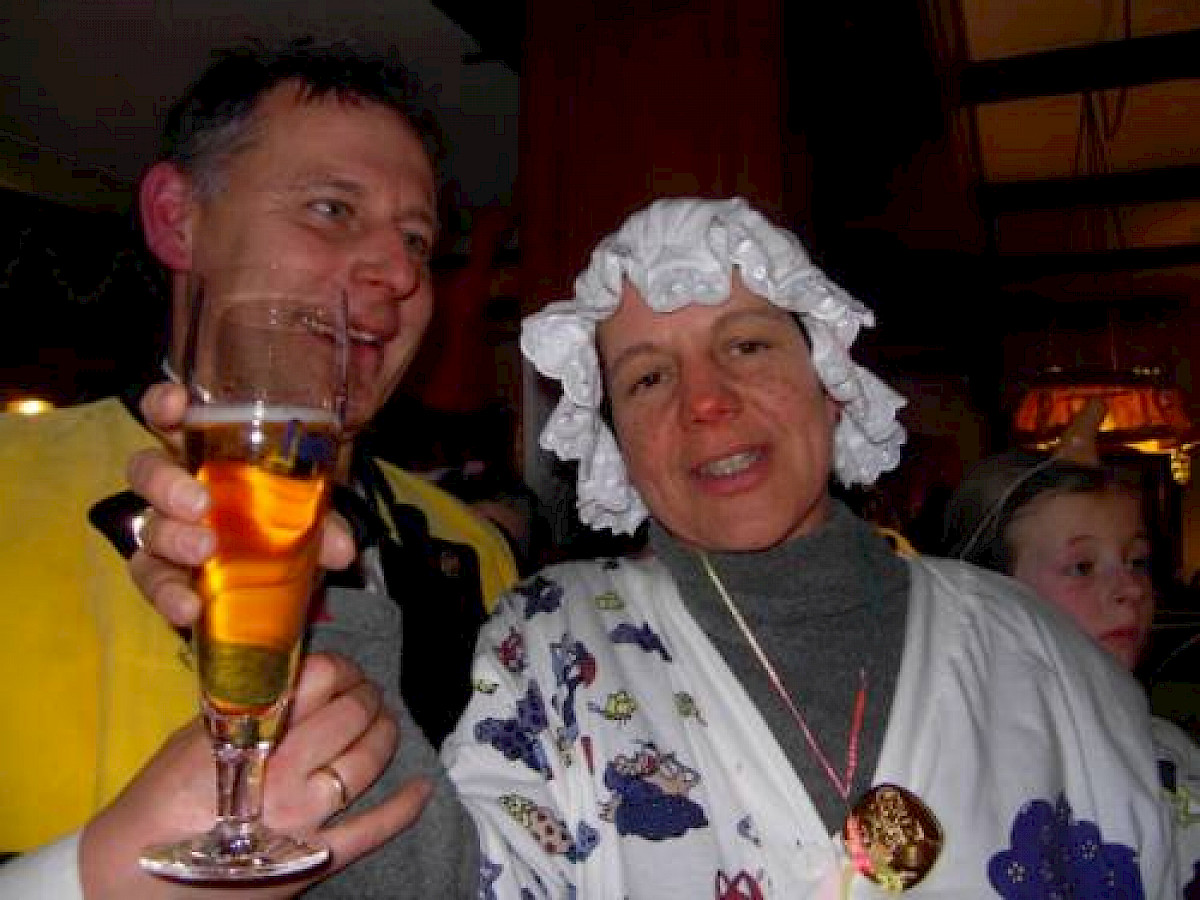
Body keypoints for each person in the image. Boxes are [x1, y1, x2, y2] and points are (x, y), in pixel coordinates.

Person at [43, 196, 1185, 896]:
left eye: (747, 346)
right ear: (614, 445)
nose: (704, 402)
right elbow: (449, 888)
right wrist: (305, 607)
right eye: (646, 378)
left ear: (830, 382)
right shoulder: (550, 643)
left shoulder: (1041, 648)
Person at [0, 37, 516, 884]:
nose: (398, 273)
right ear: (178, 218)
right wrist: (91, 878)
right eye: (332, 209)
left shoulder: (478, 552)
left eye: (418, 242)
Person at [942, 426, 1200, 889]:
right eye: (1082, 567)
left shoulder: (1174, 752)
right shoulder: (960, 764)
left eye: (1137, 561)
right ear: (991, 593)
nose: (1130, 589)